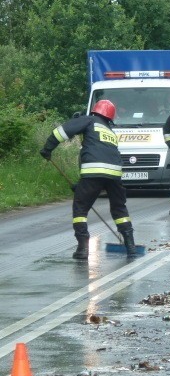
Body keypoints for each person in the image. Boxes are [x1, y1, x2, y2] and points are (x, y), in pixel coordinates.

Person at [39, 100, 138, 259]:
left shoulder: (89, 120)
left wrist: (47, 148)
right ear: (110, 117)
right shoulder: (110, 132)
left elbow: (61, 132)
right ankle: (131, 247)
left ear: (94, 111)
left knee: (80, 208)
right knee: (120, 209)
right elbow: (102, 156)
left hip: (93, 173)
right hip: (115, 175)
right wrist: (80, 185)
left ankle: (83, 248)